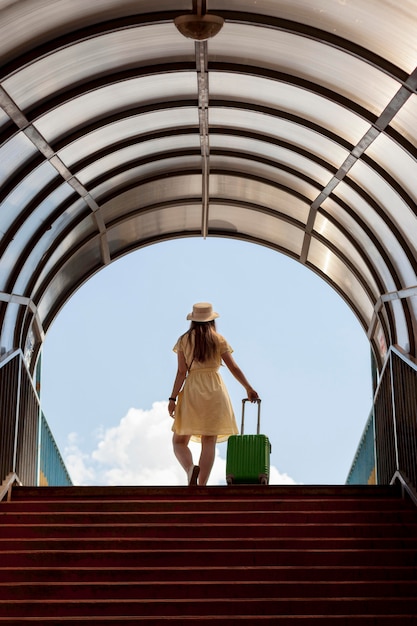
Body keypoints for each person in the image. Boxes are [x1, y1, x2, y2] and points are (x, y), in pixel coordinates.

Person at [168, 302, 259, 486]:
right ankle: (201, 486)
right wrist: (248, 388)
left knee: (179, 441)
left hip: (193, 389)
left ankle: (189, 469)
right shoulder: (219, 340)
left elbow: (181, 372)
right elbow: (233, 367)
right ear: (211, 320)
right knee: (209, 440)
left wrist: (172, 398)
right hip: (215, 390)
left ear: (193, 320)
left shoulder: (184, 340)